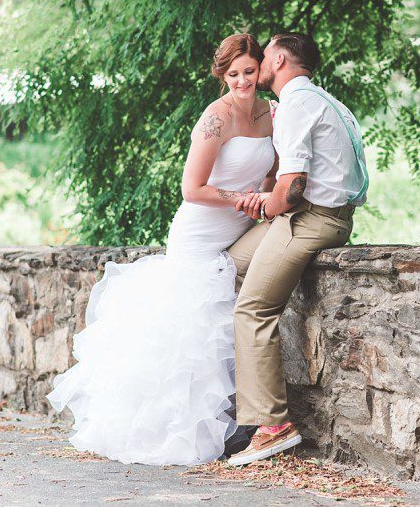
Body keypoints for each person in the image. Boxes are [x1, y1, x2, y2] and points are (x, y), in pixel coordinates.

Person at [46, 33, 276, 465]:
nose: (243, 81)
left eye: (249, 71)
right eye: (233, 74)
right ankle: (180, 431)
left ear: (260, 69)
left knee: (227, 322)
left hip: (242, 227)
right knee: (193, 331)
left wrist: (261, 200)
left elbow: (270, 176)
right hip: (199, 234)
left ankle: (239, 425)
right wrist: (239, 199)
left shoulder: (273, 114)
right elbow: (192, 189)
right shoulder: (215, 118)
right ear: (221, 76)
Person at [225, 32, 368, 466]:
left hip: (310, 218)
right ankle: (236, 406)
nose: (259, 62)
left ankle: (272, 426)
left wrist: (262, 204)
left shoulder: (296, 105)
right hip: (313, 215)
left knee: (252, 309)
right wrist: (271, 204)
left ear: (281, 58)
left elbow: (291, 191)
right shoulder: (324, 100)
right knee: (223, 268)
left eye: (264, 56)